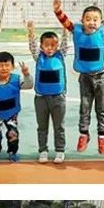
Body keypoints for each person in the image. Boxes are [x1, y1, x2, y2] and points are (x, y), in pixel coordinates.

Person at [53, 0, 104, 154]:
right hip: (85, 77)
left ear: (100, 21)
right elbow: (65, 22)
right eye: (88, 19)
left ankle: (102, 137)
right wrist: (58, 10)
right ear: (82, 21)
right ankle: (84, 134)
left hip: (102, 77)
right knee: (84, 107)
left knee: (101, 109)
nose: (92, 22)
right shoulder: (76, 31)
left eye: (95, 19)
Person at [27, 21, 69, 164]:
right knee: (42, 127)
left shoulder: (61, 55)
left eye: (53, 45)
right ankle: (43, 150)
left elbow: (65, 42)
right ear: (41, 46)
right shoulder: (38, 57)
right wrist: (31, 33)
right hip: (41, 98)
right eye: (46, 45)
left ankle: (59, 150)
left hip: (58, 98)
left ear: (57, 46)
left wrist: (65, 31)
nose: (50, 48)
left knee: (59, 126)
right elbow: (32, 47)